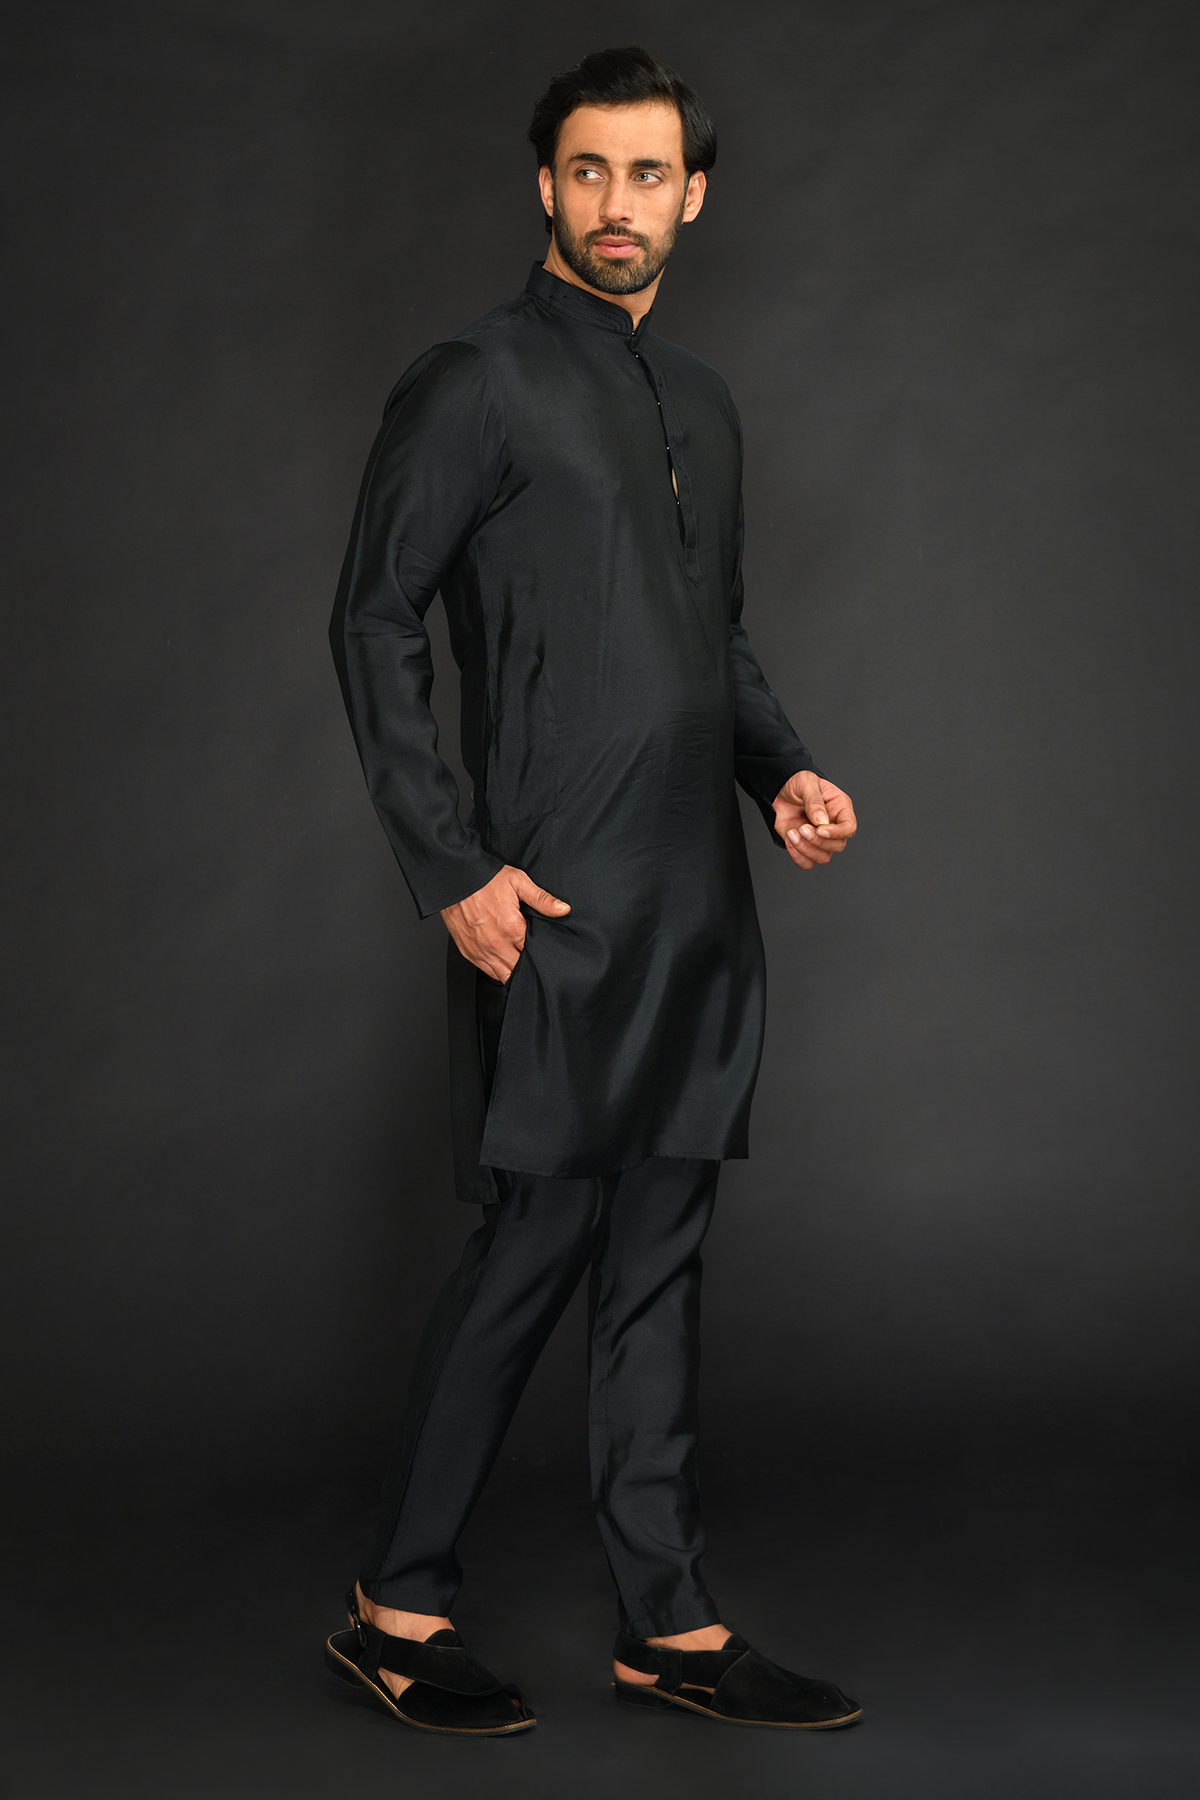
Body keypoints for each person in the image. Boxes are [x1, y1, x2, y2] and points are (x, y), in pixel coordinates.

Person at [325, 45, 860, 1738]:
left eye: (646, 175)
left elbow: (716, 633)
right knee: (535, 1241)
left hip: (698, 905)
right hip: (550, 904)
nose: (616, 204)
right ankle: (399, 1608)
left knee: (661, 1255)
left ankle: (669, 1622)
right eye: (586, 171)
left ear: (692, 195)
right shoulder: (473, 381)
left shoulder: (702, 398)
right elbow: (373, 619)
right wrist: (449, 866)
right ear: (543, 186)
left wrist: (784, 775)